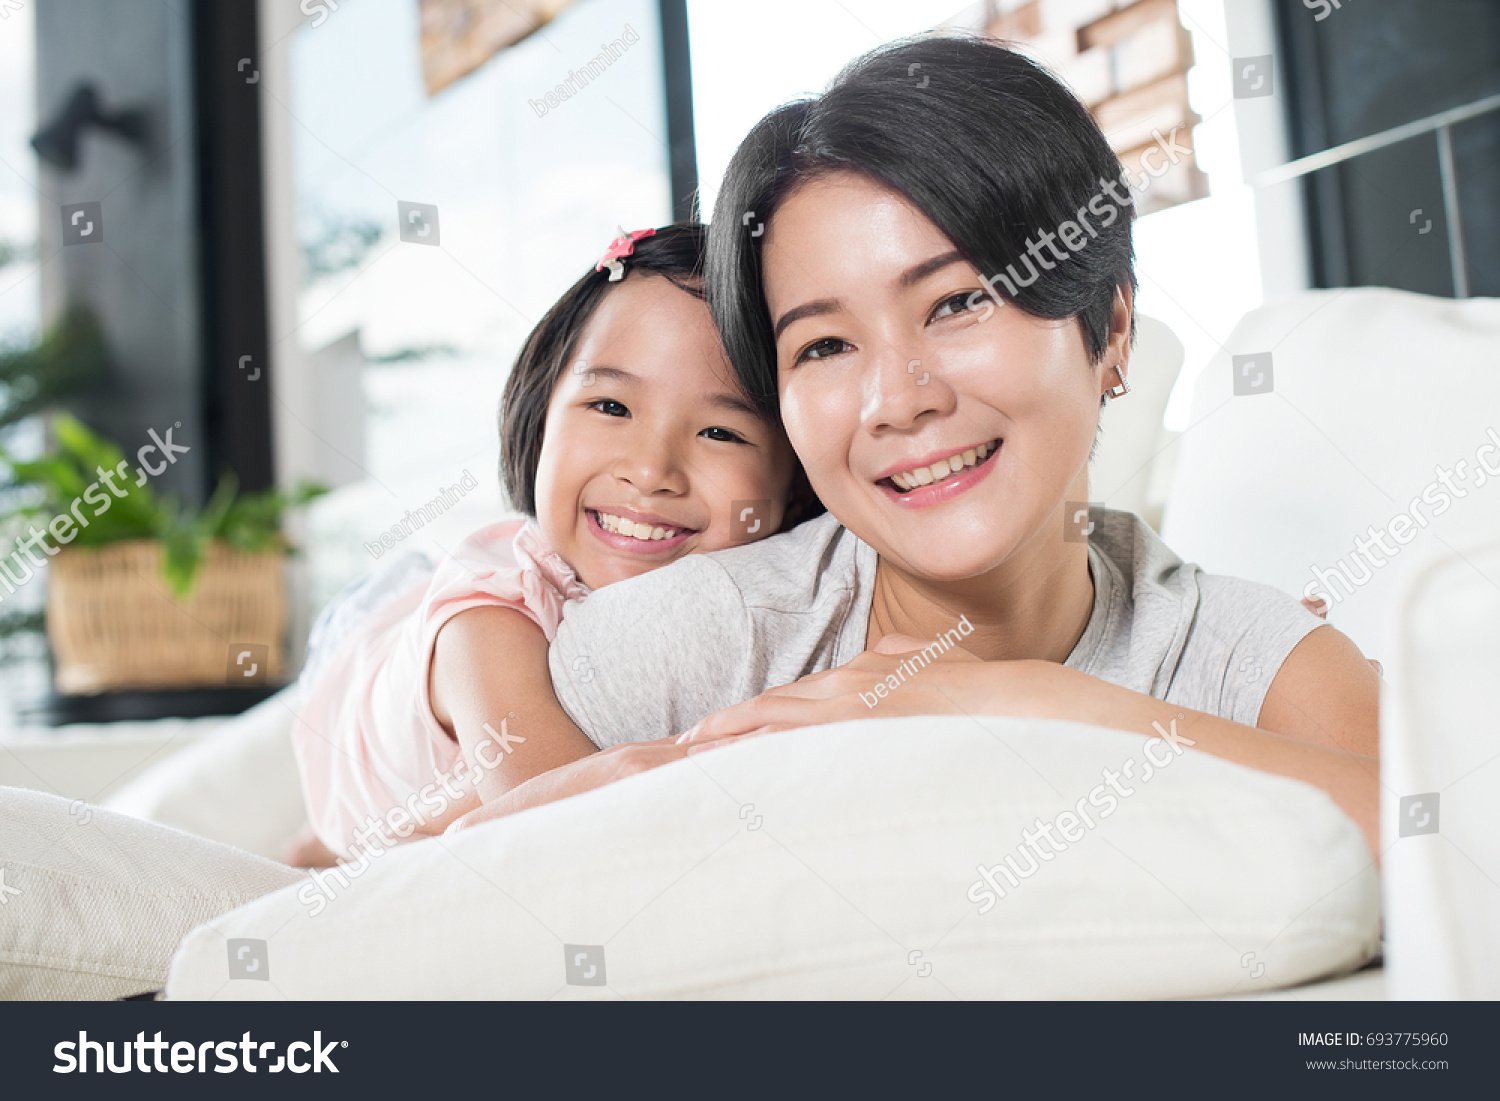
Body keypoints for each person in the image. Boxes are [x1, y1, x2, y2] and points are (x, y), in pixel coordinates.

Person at [453, 36, 1380, 857]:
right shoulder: (696, 640)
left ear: (1114, 331)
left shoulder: (1236, 655)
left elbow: (1456, 848)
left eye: (959, 301)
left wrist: (1039, 708)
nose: (897, 400)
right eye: (823, 346)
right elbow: (448, 894)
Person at [291, 224, 803, 857]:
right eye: (612, 407)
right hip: (371, 643)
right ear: (539, 413)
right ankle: (317, 840)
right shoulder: (485, 630)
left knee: (462, 794)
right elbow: (571, 825)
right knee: (355, 821)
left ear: (795, 478)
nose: (649, 471)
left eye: (722, 433)